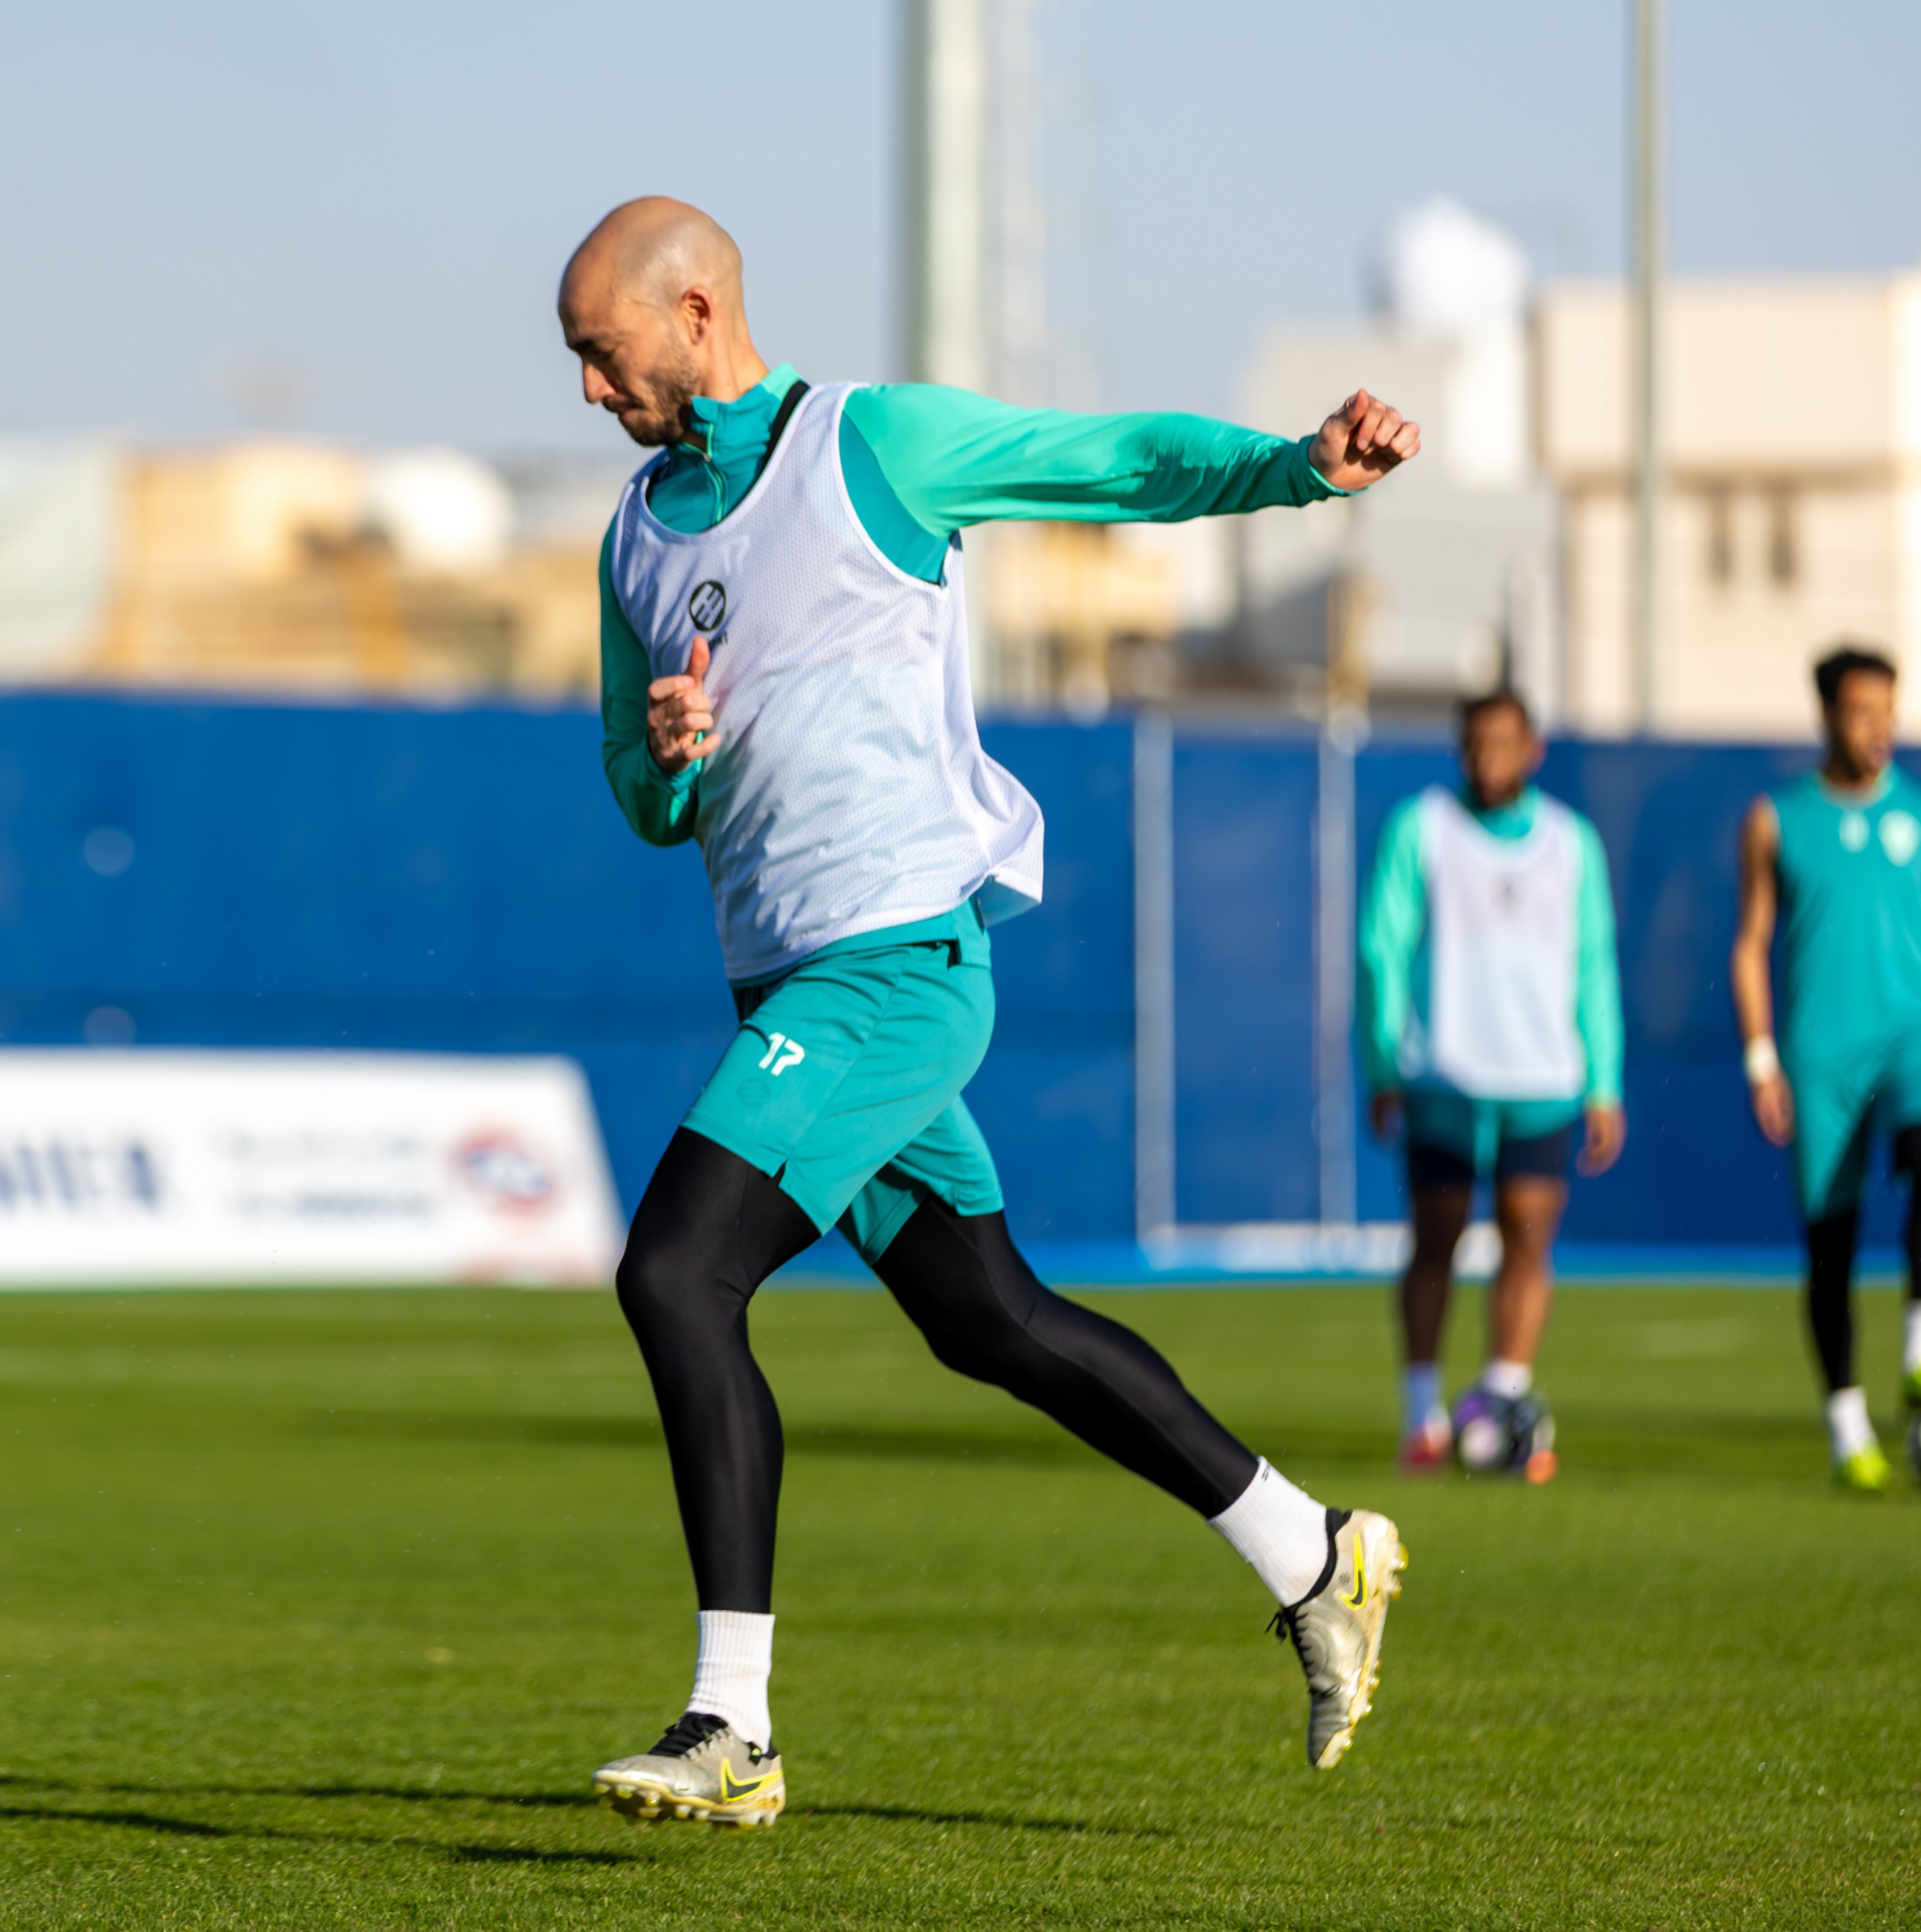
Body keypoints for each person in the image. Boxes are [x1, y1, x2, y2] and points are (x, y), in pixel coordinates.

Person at [556, 196, 1417, 1830]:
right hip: (789, 983)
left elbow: (1118, 458)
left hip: (894, 972)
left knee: (676, 1273)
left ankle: (728, 1725)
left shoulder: (875, 448)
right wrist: (664, 759)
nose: (592, 393)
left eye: (603, 357)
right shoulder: (634, 538)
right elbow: (635, 789)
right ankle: (1314, 1554)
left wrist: (1299, 466)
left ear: (691, 311)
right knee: (991, 1320)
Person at [1359, 691, 1625, 1480]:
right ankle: (1422, 1418)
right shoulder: (1422, 828)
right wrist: (1385, 1064)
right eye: (1474, 743)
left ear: (1533, 748)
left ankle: (1503, 1405)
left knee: (1527, 1239)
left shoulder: (1572, 843)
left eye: (1503, 742)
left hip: (1542, 1080)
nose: (1487, 757)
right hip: (1444, 1080)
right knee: (1435, 1243)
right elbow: (1383, 946)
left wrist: (1604, 1083)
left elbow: (1595, 965)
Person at [1731, 643, 1921, 1492]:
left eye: (1889, 710)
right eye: (1860, 711)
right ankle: (1850, 1426)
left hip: (1909, 1037)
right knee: (1832, 1246)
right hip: (1819, 1056)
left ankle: (1919, 1343)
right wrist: (1762, 1057)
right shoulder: (1778, 818)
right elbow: (1751, 943)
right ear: (1826, 716)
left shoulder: (1915, 812)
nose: (1878, 728)